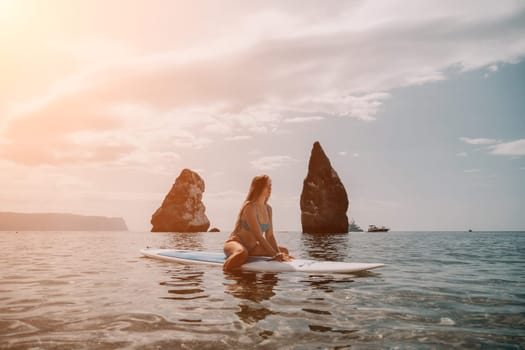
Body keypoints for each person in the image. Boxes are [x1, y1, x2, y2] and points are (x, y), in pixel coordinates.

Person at [223, 175, 292, 272]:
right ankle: (225, 270)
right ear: (259, 187)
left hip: (253, 248)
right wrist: (275, 255)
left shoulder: (268, 209)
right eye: (267, 186)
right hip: (236, 243)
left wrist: (279, 254)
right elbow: (259, 236)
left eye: (270, 186)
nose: (270, 189)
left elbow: (270, 236)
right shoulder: (250, 207)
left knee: (284, 251)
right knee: (242, 253)